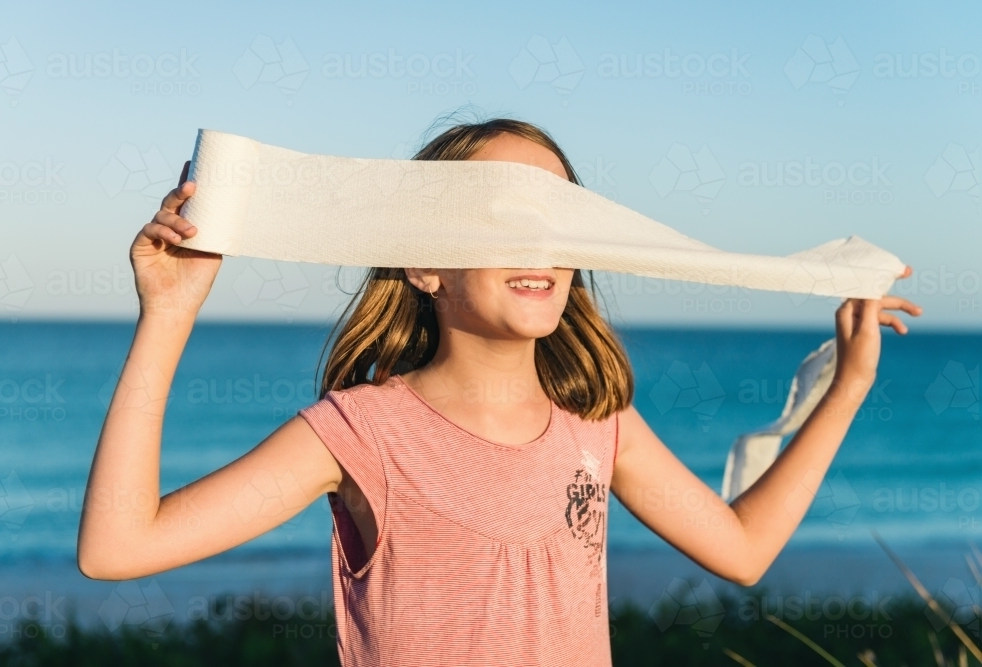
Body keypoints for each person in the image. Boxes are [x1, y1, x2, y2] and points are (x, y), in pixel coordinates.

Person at [78, 118, 921, 665]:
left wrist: (846, 386)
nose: (541, 245)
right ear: (425, 260)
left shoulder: (599, 425)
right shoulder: (362, 432)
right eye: (502, 216)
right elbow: (117, 546)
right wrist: (170, 313)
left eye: (557, 218)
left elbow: (743, 549)